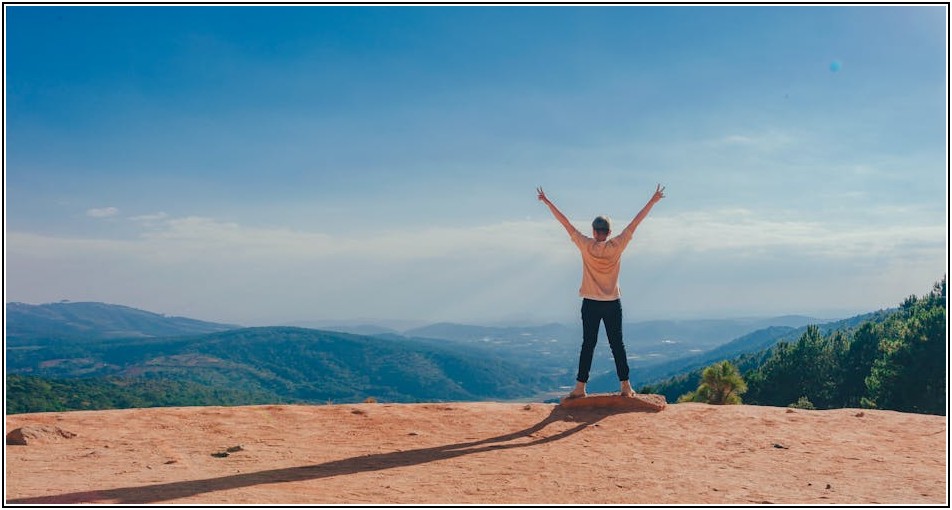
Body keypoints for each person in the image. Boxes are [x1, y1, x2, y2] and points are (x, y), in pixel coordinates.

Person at [537, 184, 665, 398]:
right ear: (609, 232)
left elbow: (565, 223)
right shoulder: (617, 245)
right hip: (613, 302)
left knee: (588, 344)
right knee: (617, 345)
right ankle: (625, 386)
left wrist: (548, 202)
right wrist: (653, 200)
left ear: (594, 231)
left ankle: (580, 387)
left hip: (590, 302)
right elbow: (636, 222)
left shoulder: (585, 245)